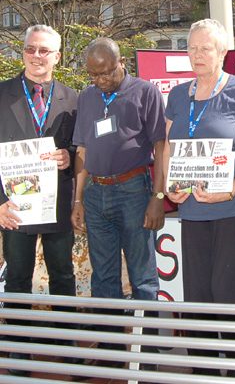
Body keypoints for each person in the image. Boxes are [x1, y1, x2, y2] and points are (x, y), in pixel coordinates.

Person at [163, 18, 235, 377]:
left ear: (223, 52)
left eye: (205, 48)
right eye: (191, 48)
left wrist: (231, 189)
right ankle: (204, 372)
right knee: (198, 299)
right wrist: (169, 186)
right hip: (192, 214)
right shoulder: (177, 95)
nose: (197, 54)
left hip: (232, 212)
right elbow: (169, 147)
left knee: (231, 294)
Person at [70, 38, 165, 362]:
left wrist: (158, 196)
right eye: (94, 75)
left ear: (121, 62)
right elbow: (82, 151)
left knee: (142, 275)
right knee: (104, 276)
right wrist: (78, 200)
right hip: (95, 194)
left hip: (134, 192)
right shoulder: (87, 97)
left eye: (106, 73)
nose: (101, 81)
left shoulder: (145, 92)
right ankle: (111, 350)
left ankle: (147, 350)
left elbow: (161, 147)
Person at [0, 25, 78, 376]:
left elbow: (81, 150)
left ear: (56, 56)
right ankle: (18, 352)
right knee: (17, 278)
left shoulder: (73, 98)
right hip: (14, 207)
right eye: (31, 49)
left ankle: (68, 347)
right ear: (23, 53)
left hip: (56, 205)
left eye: (44, 50)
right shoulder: (1, 94)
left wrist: (68, 157)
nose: (36, 56)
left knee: (63, 275)